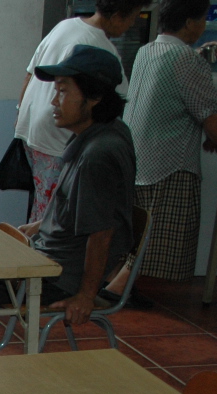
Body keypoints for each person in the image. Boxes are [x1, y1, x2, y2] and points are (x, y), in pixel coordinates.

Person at [15, 0, 150, 224]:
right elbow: (119, 103)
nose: (131, 25)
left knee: (45, 209)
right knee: (52, 217)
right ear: (118, 15)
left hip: (32, 131)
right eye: (132, 18)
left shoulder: (65, 26)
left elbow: (28, 75)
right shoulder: (102, 49)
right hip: (56, 139)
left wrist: (20, 116)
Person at [22, 45, 136, 327]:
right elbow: (80, 207)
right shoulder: (99, 133)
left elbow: (102, 233)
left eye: (63, 91)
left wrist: (85, 295)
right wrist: (40, 225)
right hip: (48, 261)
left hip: (57, 278)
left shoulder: (99, 154)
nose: (54, 102)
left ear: (95, 97)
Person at [124, 0, 217, 281]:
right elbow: (209, 115)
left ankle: (120, 288)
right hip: (167, 166)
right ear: (190, 22)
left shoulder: (147, 51)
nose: (204, 26)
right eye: (203, 19)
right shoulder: (188, 60)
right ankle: (122, 290)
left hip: (135, 159)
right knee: (153, 242)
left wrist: (198, 56)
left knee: (133, 235)